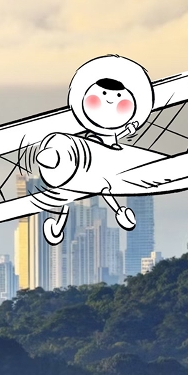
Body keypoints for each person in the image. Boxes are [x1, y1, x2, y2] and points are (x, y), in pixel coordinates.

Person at [35, 55, 154, 244]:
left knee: (105, 190)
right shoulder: (82, 140)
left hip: (112, 165)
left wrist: (129, 128)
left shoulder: (113, 135)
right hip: (83, 171)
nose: (108, 103)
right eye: (102, 97)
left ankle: (119, 212)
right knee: (71, 197)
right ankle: (56, 228)